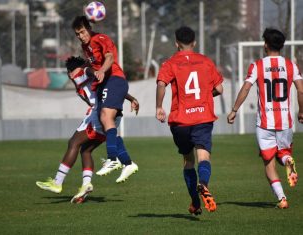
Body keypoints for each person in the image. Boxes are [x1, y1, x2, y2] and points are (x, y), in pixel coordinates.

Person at [36, 56, 139, 203]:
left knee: (73, 143)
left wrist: (94, 71)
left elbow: (90, 71)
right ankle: (86, 185)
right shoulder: (84, 80)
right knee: (86, 150)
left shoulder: (81, 73)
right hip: (107, 112)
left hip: (100, 114)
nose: (70, 75)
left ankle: (57, 182)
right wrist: (131, 98)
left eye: (70, 71)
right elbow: (107, 85)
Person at [227, 28, 303, 209]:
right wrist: (301, 111)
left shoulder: (257, 66)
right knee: (283, 153)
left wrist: (234, 110)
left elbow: (246, 88)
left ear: (266, 44)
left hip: (265, 122)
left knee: (268, 162)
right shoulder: (291, 65)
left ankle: (282, 198)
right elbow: (301, 89)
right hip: (285, 121)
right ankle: (287, 161)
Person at [156, 26, 223, 215]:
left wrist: (159, 107)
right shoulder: (206, 61)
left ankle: (195, 202)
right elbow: (220, 89)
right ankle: (204, 184)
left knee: (188, 160)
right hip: (203, 117)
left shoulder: (170, 63)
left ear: (176, 43)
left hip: (181, 121)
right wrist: (205, 96)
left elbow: (162, 84)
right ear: (194, 42)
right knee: (204, 156)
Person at [71, 16, 138, 177]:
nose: (80, 36)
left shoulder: (100, 38)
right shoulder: (85, 46)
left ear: (88, 28)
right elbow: (92, 63)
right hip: (105, 85)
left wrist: (102, 70)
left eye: (82, 32)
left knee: (105, 117)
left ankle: (113, 159)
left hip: (113, 79)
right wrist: (82, 67)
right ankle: (128, 163)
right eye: (77, 34)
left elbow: (109, 58)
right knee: (107, 126)